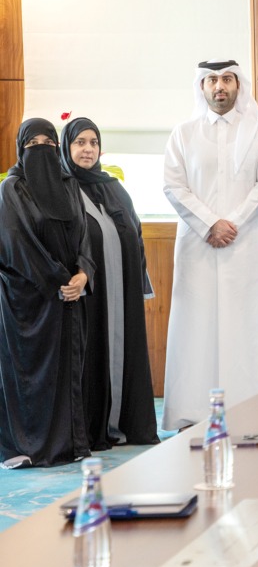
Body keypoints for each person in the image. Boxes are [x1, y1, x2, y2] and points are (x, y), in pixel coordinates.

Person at [161, 60, 258, 431]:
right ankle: (192, 412)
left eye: (227, 79)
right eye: (212, 80)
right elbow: (173, 186)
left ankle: (250, 408)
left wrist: (233, 224)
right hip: (198, 244)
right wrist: (210, 223)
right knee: (196, 326)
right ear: (202, 86)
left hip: (244, 246)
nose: (219, 87)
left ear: (238, 85)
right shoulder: (183, 133)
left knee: (246, 325)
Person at [60, 117, 159, 448]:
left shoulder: (113, 187)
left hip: (122, 291)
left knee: (125, 350)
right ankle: (95, 428)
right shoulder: (61, 189)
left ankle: (126, 423)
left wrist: (140, 280)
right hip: (89, 296)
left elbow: (136, 232)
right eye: (80, 142)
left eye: (93, 142)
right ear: (66, 147)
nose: (88, 149)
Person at [0, 119, 93, 468]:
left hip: (67, 296)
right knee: (29, 375)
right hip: (27, 299)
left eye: (48, 142)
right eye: (32, 142)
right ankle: (28, 448)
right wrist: (59, 281)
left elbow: (83, 234)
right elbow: (17, 243)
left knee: (64, 373)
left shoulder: (68, 185)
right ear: (20, 148)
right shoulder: (12, 188)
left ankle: (67, 444)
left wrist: (83, 274)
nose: (41, 148)